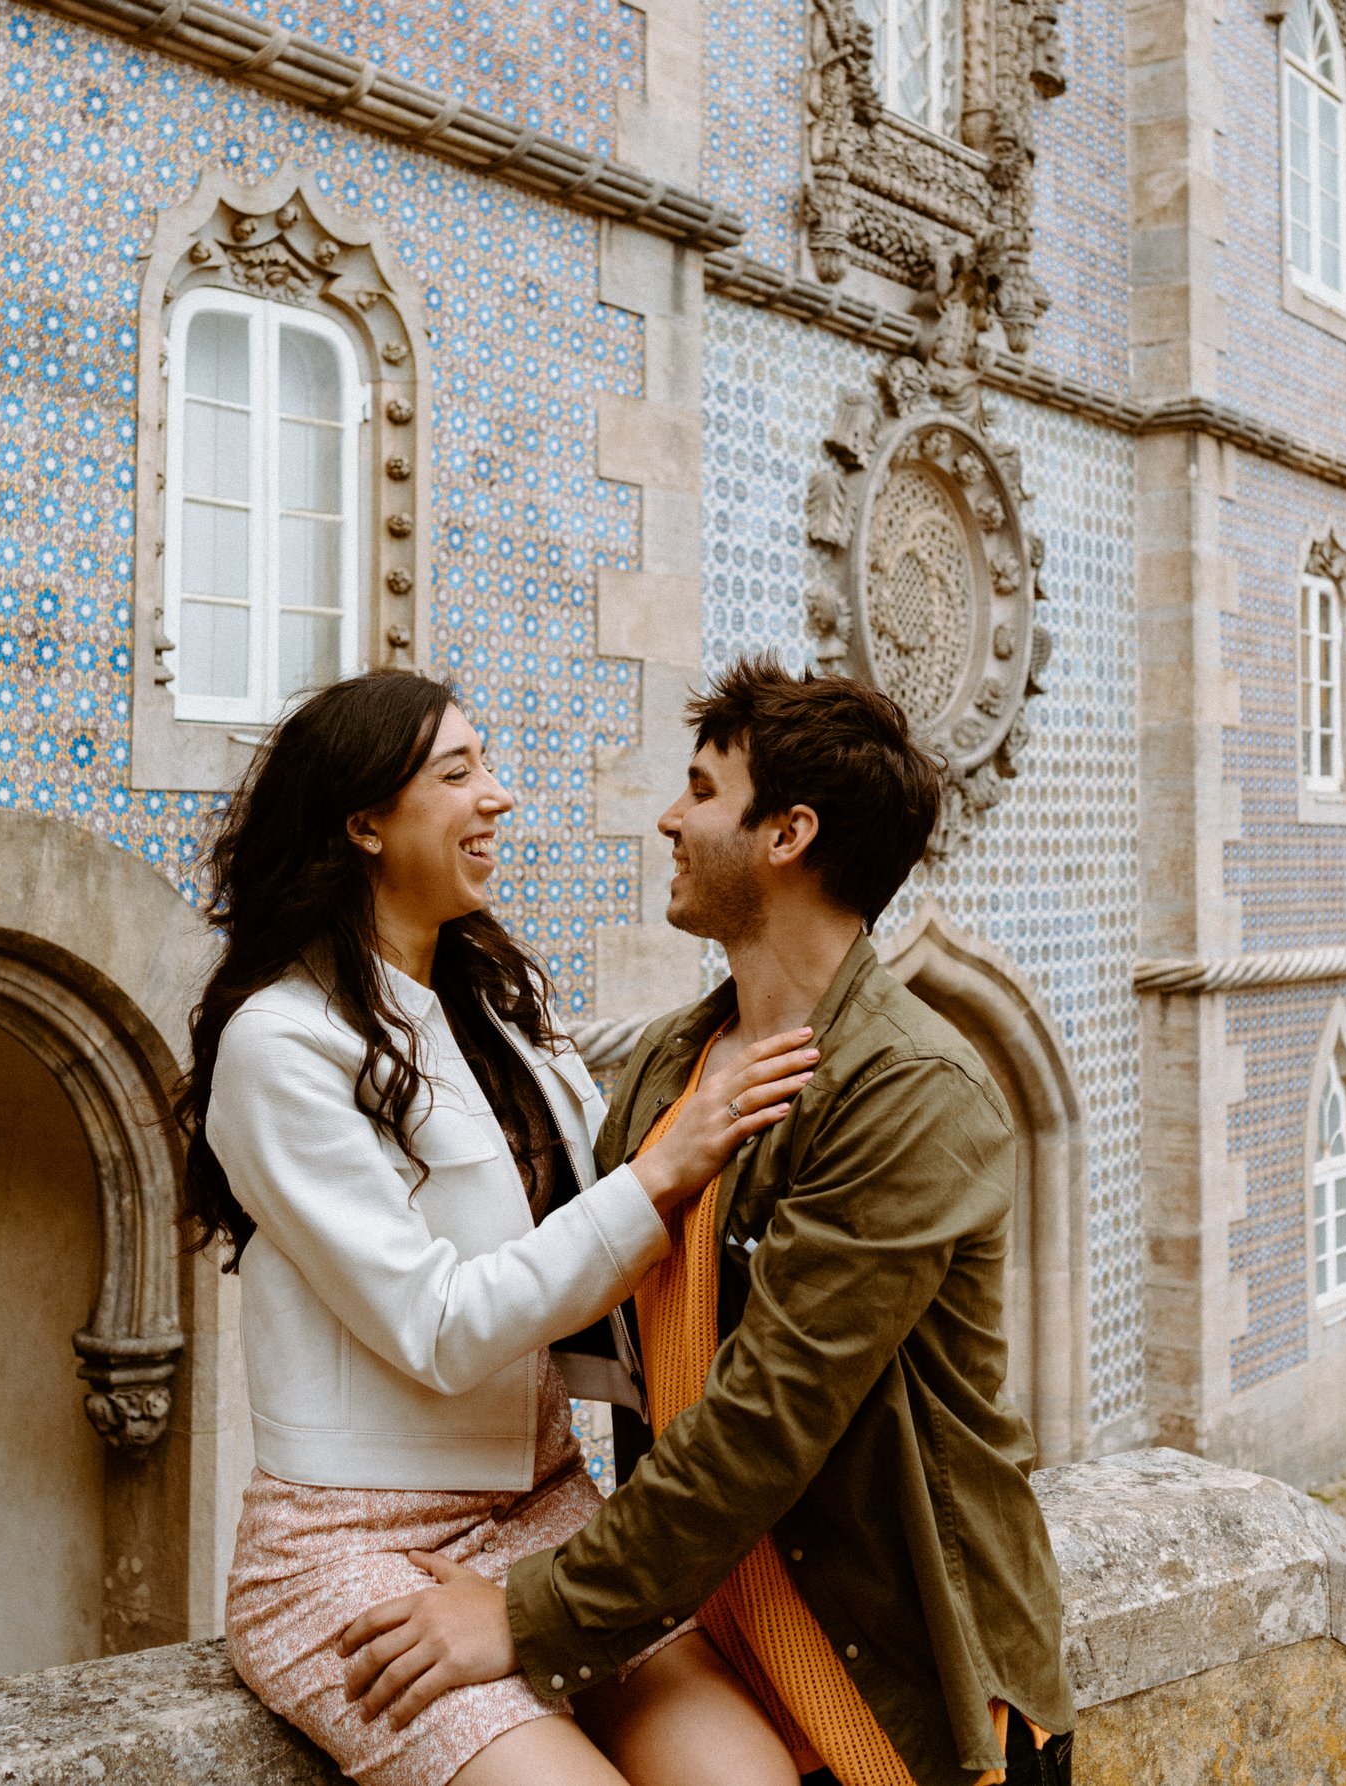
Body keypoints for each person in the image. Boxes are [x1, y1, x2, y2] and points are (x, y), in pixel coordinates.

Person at [338, 657, 1076, 1786]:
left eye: (698, 789)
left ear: (786, 834)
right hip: (724, 1679)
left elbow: (766, 1419)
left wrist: (528, 1614)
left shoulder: (912, 1091)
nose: (668, 819)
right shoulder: (674, 1066)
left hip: (907, 1702)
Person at [173, 669, 817, 1786]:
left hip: (549, 1513)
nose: (499, 797)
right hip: (355, 1552)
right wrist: (665, 1167)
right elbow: (437, 1322)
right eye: (459, 772)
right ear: (364, 821)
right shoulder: (280, 1045)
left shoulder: (501, 1015)